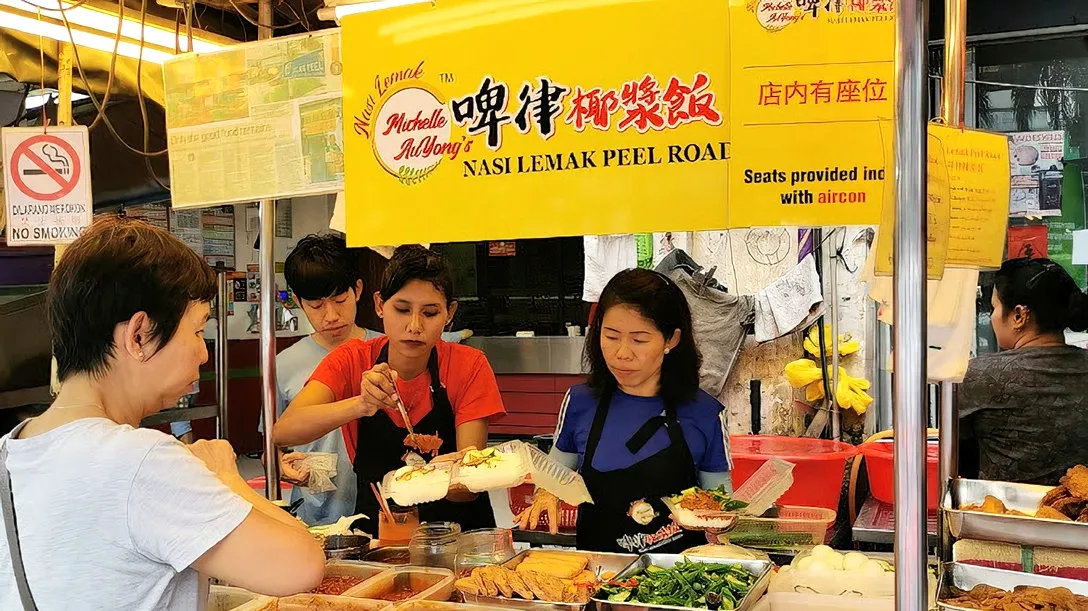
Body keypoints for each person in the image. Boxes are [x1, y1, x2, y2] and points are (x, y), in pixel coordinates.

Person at [0, 217, 324, 610]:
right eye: (198, 331)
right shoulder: (138, 461)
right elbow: (301, 567)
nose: (204, 353)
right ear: (140, 335)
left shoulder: (10, 453)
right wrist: (224, 475)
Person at [274, 245, 505, 535]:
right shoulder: (352, 359)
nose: (414, 326)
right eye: (402, 309)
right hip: (378, 535)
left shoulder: (468, 365)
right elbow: (284, 431)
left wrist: (439, 475)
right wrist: (361, 404)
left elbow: (468, 488)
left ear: (450, 314)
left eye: (430, 312)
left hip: (458, 537)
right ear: (380, 305)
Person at [519, 268, 732, 554]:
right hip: (598, 579)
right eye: (611, 336)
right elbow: (555, 475)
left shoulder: (705, 414)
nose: (622, 353)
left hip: (676, 585)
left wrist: (722, 524)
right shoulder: (580, 402)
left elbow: (721, 504)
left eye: (639, 340)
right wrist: (546, 492)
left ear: (671, 340)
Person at [959, 257, 1088, 485]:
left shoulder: (978, 375)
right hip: (1078, 514)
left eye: (995, 307)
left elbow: (956, 452)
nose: (992, 317)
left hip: (1003, 515)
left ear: (1019, 315)